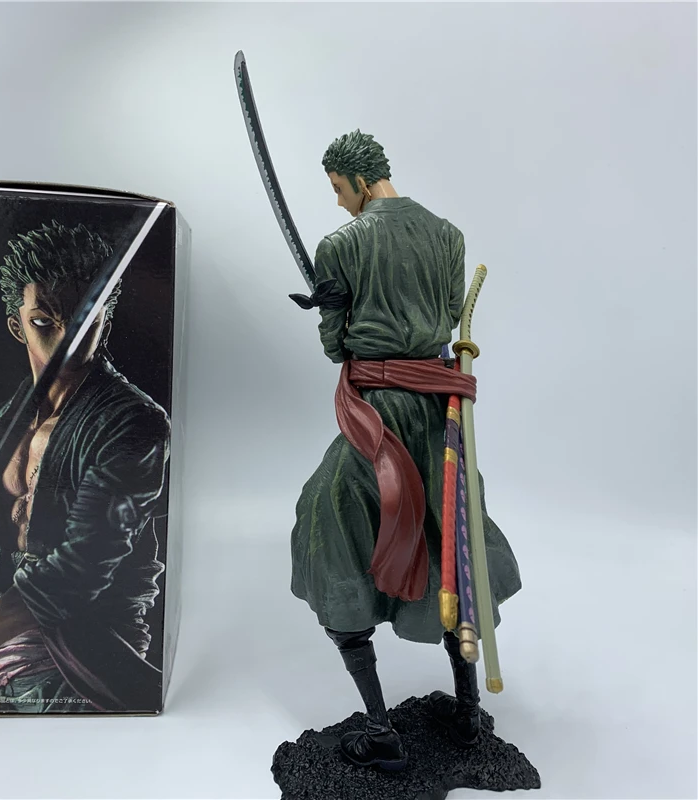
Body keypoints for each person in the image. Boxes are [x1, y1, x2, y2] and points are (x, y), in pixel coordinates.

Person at [290, 130, 522, 769]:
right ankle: (468, 713)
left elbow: (336, 349)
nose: (338, 202)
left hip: (380, 417)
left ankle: (381, 730)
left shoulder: (340, 244)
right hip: (437, 419)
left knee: (325, 519)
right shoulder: (448, 235)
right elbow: (446, 319)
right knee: (450, 535)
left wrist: (335, 307)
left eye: (338, 188)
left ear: (359, 181)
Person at [0, 220, 170, 713]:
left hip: (95, 663)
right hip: (6, 662)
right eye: (45, 322)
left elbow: (80, 569)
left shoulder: (134, 423)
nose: (67, 338)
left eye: (84, 320)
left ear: (106, 319)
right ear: (17, 326)